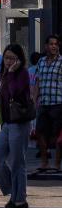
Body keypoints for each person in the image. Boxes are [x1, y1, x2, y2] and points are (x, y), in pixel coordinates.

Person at [0, 42, 34, 208]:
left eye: (12, 58)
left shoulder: (22, 73)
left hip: (20, 122)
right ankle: (12, 191)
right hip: (7, 123)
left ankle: (19, 199)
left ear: (19, 59)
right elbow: (1, 96)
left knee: (18, 162)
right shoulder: (5, 74)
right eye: (6, 58)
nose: (8, 61)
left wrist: (10, 73)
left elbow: (15, 91)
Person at [31, 34, 62, 175]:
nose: (54, 46)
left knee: (57, 136)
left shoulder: (61, 62)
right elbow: (37, 82)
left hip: (58, 103)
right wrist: (33, 98)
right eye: (51, 44)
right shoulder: (41, 62)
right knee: (40, 133)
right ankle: (44, 162)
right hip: (43, 103)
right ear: (46, 46)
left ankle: (56, 163)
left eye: (56, 44)